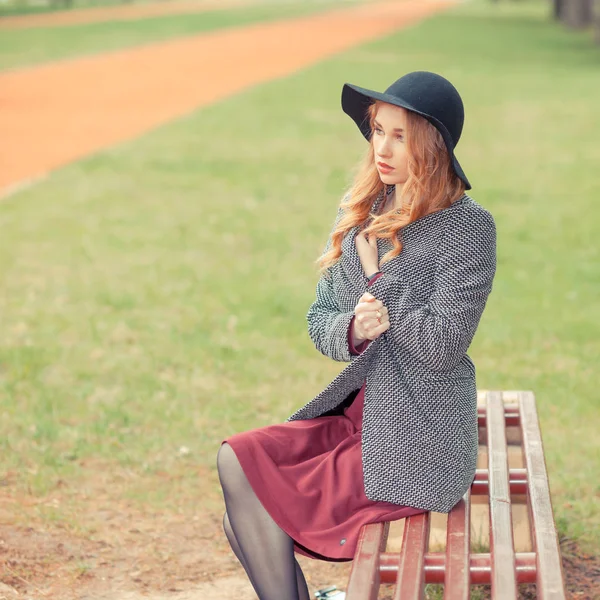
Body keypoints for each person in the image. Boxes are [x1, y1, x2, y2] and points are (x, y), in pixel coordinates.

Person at [216, 71, 497, 600]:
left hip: (420, 437)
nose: (382, 149)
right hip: (358, 417)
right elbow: (320, 317)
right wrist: (351, 327)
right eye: (377, 131)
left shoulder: (469, 228)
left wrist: (377, 289)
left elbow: (442, 344)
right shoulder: (362, 208)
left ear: (432, 147)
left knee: (249, 512)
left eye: (400, 136)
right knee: (238, 464)